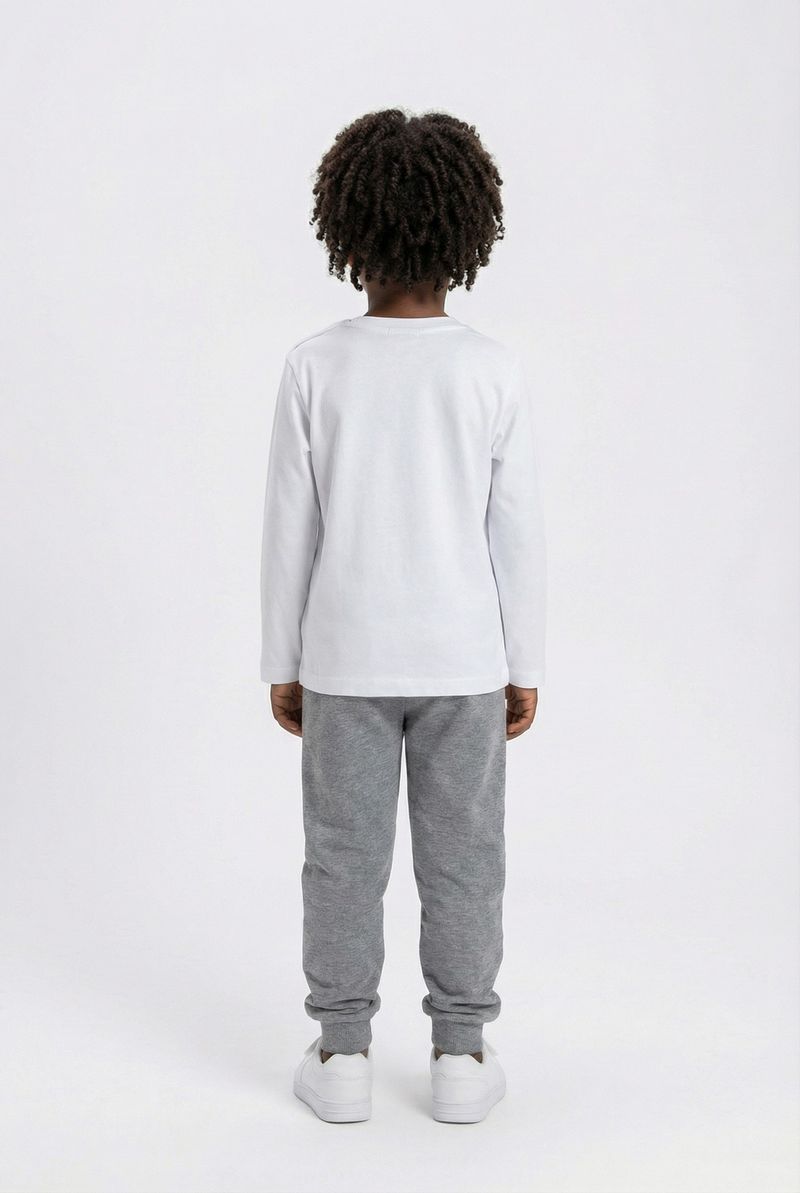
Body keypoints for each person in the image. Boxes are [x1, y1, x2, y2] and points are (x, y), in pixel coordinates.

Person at [260, 108, 547, 1124]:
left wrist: (282, 659)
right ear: (466, 231)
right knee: (465, 858)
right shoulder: (489, 367)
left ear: (348, 228)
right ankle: (461, 1054)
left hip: (343, 659)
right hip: (464, 660)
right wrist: (524, 662)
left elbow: (288, 528)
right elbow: (516, 530)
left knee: (341, 856)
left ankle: (341, 1052)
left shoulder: (315, 364)